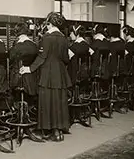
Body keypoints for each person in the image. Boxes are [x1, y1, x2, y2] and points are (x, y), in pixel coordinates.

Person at [20, 12, 71, 142]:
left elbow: (42, 57)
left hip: (48, 74)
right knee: (59, 102)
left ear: (50, 24)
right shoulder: (64, 38)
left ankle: (49, 130)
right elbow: (66, 59)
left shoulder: (47, 38)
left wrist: (29, 68)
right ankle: (58, 131)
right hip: (60, 74)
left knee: (47, 102)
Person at [9, 22, 38, 109]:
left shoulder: (17, 46)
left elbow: (11, 59)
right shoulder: (34, 45)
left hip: (18, 78)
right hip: (32, 78)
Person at [67, 24, 93, 94]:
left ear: (76, 33)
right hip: (85, 75)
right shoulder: (88, 46)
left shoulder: (73, 47)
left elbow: (66, 59)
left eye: (71, 33)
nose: (70, 35)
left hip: (74, 75)